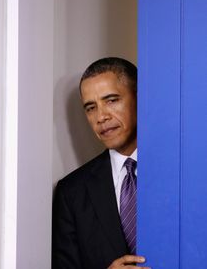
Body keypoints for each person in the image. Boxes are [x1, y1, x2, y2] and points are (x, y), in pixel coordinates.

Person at [52, 57, 150, 269]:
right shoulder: (71, 192)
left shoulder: (183, 172)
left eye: (112, 100)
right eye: (90, 107)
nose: (101, 117)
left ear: (140, 98)